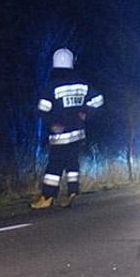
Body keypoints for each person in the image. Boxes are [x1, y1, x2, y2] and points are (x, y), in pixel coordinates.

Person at [31, 48, 103, 209]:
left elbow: (43, 108)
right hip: (78, 134)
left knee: (54, 166)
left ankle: (48, 197)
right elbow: (98, 100)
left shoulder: (52, 86)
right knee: (72, 163)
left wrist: (52, 123)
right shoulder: (82, 84)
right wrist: (86, 113)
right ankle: (72, 191)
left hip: (60, 135)